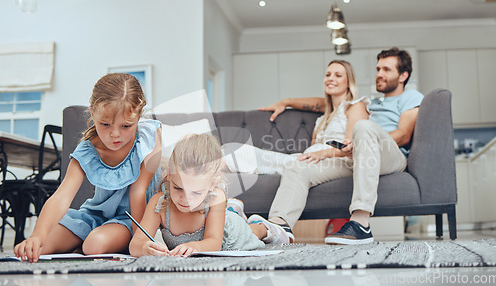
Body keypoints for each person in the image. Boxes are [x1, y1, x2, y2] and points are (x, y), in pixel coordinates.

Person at [260, 47, 424, 245]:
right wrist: (286, 102)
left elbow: (404, 135)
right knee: (297, 166)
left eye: (386, 70)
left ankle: (361, 223)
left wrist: (363, 141)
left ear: (403, 75)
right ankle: (280, 227)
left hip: (390, 156)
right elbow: (324, 103)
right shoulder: (370, 103)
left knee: (363, 127)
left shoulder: (411, 97)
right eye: (378, 68)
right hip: (359, 155)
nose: (379, 74)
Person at [14, 73, 163, 262]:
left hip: (130, 219)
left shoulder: (150, 136)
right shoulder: (87, 150)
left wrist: (139, 242)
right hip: (93, 215)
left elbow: (138, 191)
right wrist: (37, 235)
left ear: (139, 116)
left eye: (126, 126)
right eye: (105, 124)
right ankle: (78, 247)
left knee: (94, 245)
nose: (115, 134)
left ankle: (84, 248)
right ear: (93, 113)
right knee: (41, 248)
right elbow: (61, 196)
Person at [223, 60, 370, 244]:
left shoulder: (355, 106)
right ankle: (225, 210)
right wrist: (286, 102)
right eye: (328, 74)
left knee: (285, 164)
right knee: (242, 152)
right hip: (312, 160)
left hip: (337, 161)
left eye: (338, 75)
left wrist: (322, 154)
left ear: (349, 82)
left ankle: (277, 225)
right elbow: (313, 103)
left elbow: (351, 147)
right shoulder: (327, 112)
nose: (331, 79)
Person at [129, 134, 289, 258]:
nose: (185, 200)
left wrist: (195, 247)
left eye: (196, 193)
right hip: (217, 219)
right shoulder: (160, 202)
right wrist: (144, 247)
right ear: (169, 176)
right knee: (228, 216)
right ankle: (232, 209)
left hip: (230, 237)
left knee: (250, 232)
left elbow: (214, 243)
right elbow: (135, 243)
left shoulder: (215, 197)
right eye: (178, 188)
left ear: (212, 185)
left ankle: (263, 226)